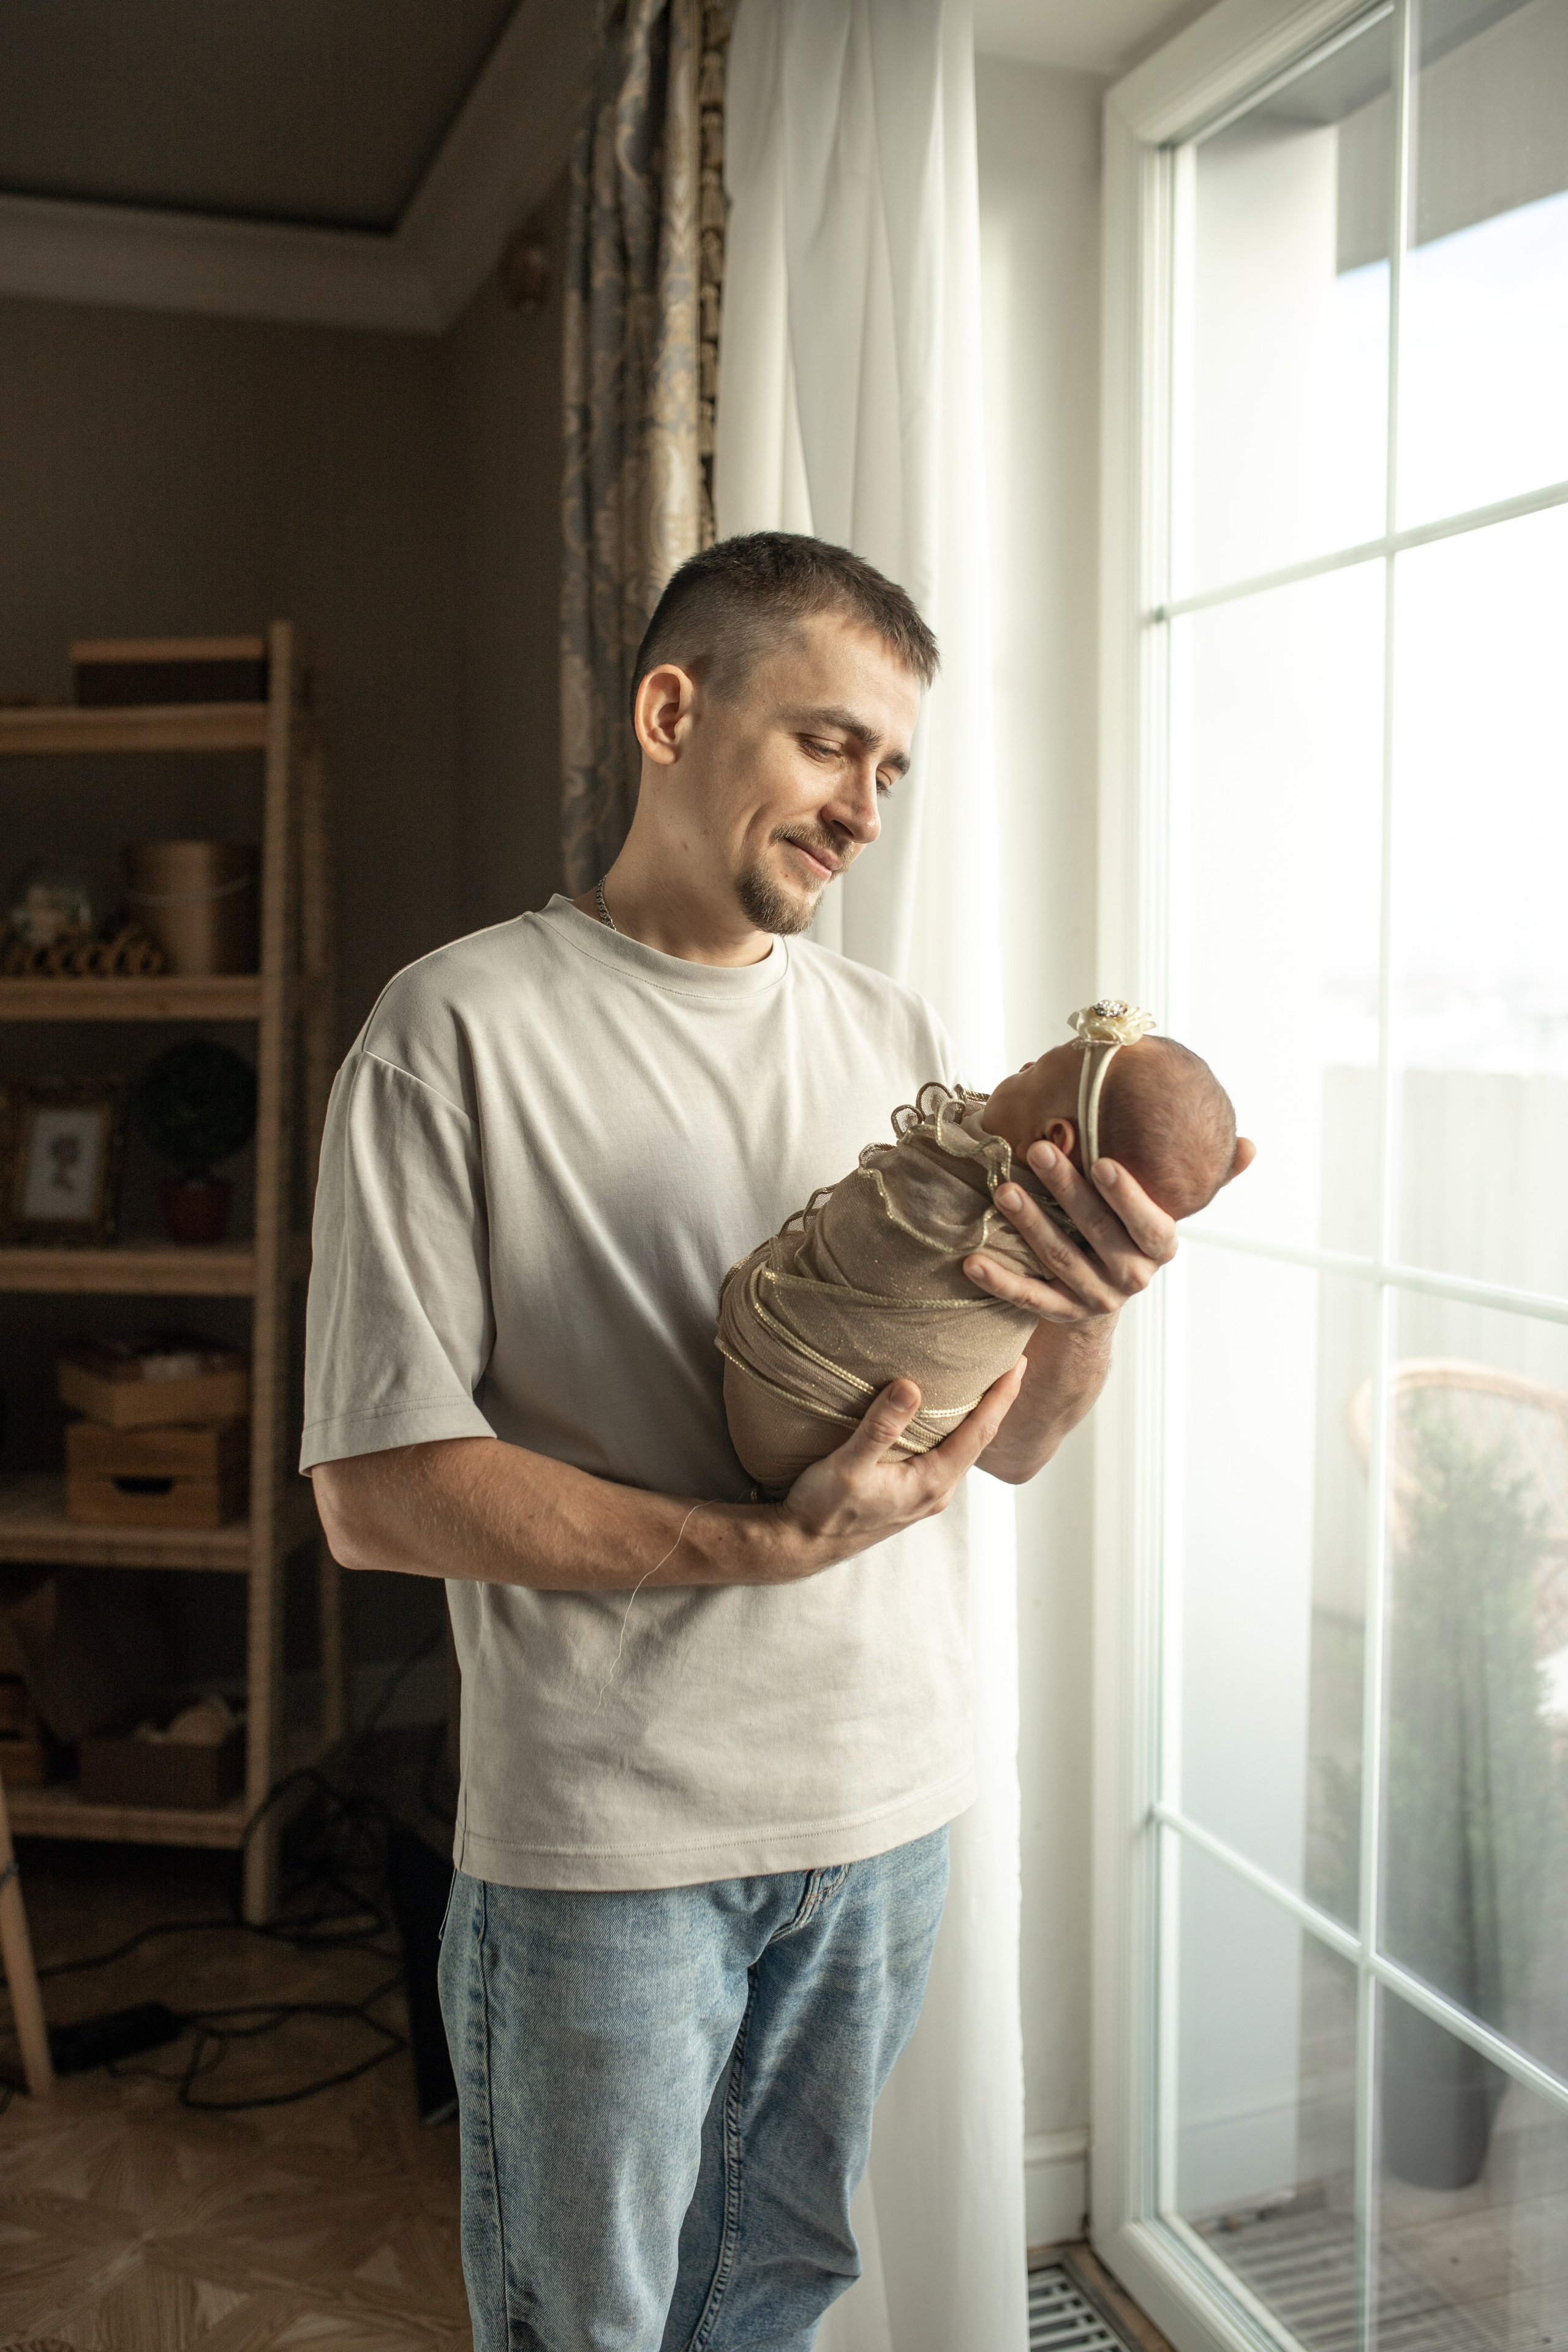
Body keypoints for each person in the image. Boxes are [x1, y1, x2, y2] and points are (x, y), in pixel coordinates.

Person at [303, 532, 1190, 2352]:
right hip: (611, 1844)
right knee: (590, 2326)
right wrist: (758, 1544)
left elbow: (1005, 1451)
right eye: (827, 742)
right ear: (667, 709)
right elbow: (380, 1491)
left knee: (768, 2298)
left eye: (890, 768)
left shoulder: (903, 1041)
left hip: (885, 1808)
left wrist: (1086, 1292)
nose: (864, 804)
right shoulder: (450, 1031)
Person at [720, 1005, 1254, 1489]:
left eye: (1036, 1068)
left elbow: (1012, 1458)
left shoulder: (907, 1032)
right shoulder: (977, 1147)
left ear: (1055, 1142)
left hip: (810, 1407)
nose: (1019, 1067)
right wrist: (784, 1541)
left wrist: (1089, 1308)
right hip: (799, 1414)